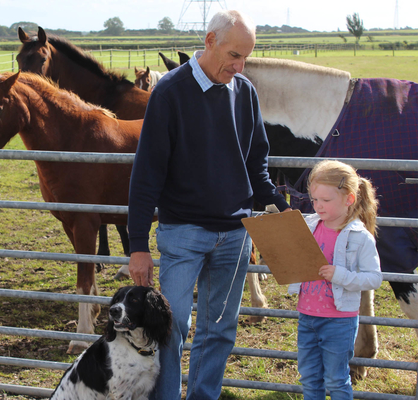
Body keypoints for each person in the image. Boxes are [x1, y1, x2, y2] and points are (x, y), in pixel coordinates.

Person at [127, 9, 291, 400]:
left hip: (235, 236)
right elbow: (146, 174)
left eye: (246, 57)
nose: (240, 65)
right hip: (183, 233)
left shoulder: (245, 93)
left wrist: (278, 204)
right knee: (172, 326)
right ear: (210, 42)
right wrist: (137, 246)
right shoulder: (169, 93)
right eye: (234, 55)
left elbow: (256, 165)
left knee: (219, 329)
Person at [288, 160, 382, 400]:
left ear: (349, 199)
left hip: (339, 320)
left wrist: (339, 275)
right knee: (309, 377)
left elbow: (374, 278)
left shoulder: (359, 236)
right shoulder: (308, 225)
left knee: (337, 380)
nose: (318, 206)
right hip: (307, 316)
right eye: (314, 199)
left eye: (326, 201)